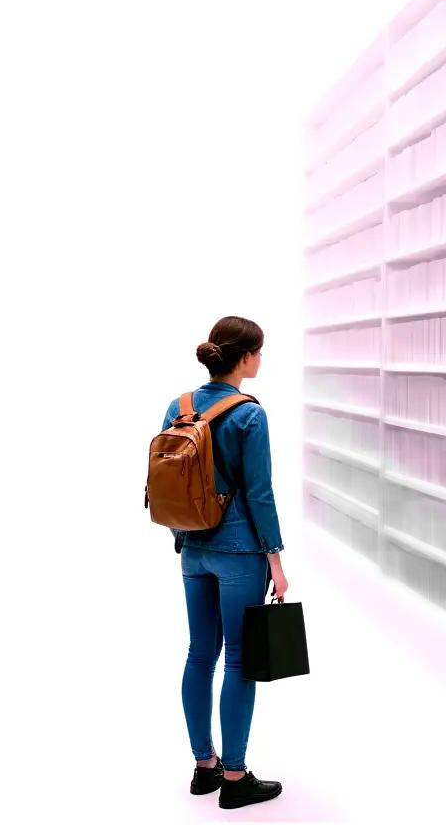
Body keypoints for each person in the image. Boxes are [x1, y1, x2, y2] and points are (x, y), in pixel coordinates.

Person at [161, 315, 287, 809]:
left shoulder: (180, 406)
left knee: (199, 654)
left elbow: (169, 480)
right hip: (240, 554)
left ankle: (203, 767)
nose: (261, 360)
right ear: (245, 357)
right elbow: (260, 494)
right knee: (239, 659)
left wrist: (184, 536)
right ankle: (235, 778)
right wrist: (275, 559)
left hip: (193, 550)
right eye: (259, 352)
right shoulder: (250, 415)